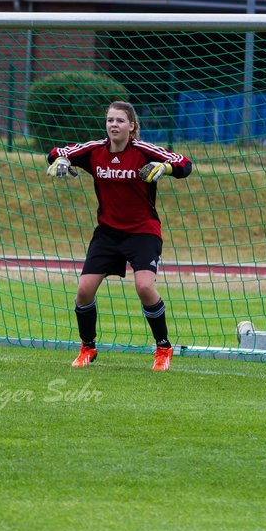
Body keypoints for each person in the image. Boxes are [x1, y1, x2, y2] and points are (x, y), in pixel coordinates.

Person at [46, 100, 193, 371]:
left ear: (132, 126)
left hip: (143, 232)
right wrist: (62, 160)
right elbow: (56, 151)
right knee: (83, 291)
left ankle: (163, 348)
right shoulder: (94, 151)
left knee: (145, 288)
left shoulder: (143, 151)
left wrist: (166, 168)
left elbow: (184, 164)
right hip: (107, 233)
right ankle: (87, 347)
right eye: (110, 120)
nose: (114, 124)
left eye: (120, 121)